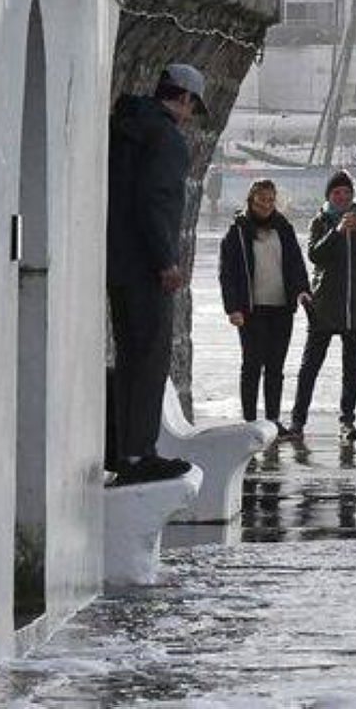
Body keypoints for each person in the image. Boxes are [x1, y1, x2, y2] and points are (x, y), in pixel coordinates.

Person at [104, 63, 208, 485]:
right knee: (149, 359)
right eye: (193, 108)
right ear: (183, 98)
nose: (189, 116)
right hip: (146, 268)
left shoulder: (125, 129)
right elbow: (154, 201)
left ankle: (126, 453)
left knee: (130, 357)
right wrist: (166, 260)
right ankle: (140, 454)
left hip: (117, 264)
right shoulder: (166, 138)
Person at [290, 170, 356, 440]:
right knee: (310, 367)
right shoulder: (320, 221)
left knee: (352, 369)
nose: (342, 197)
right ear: (329, 196)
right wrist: (336, 232)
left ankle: (347, 421)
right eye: (337, 193)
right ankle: (297, 422)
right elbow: (315, 255)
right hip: (324, 307)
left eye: (347, 193)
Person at [218, 179, 311, 430]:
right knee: (252, 365)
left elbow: (296, 264)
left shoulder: (284, 228)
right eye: (261, 199)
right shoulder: (237, 232)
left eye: (270, 200)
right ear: (251, 200)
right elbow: (227, 274)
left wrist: (302, 291)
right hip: (251, 309)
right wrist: (233, 308)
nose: (266, 205)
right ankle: (249, 421)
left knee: (275, 367)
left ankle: (272, 421)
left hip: (281, 308)